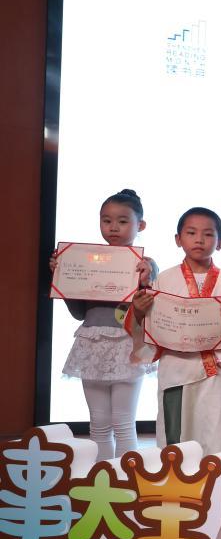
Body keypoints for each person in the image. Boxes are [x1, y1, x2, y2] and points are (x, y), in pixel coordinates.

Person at [127, 207, 221, 456]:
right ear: (178, 239)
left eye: (208, 234)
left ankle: (215, 482)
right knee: (176, 436)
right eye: (191, 233)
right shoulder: (164, 279)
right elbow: (149, 325)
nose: (199, 239)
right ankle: (176, 480)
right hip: (176, 369)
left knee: (215, 433)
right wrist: (139, 312)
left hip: (214, 372)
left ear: (220, 242)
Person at [53, 189, 156, 461]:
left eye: (122, 221)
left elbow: (154, 309)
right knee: (98, 423)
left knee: (123, 423)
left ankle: (126, 479)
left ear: (140, 225)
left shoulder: (146, 265)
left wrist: (147, 280)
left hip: (127, 345)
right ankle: (104, 481)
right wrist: (63, 278)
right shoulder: (84, 261)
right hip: (92, 343)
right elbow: (79, 313)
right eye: (106, 220)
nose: (113, 227)